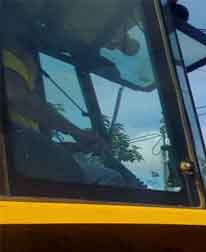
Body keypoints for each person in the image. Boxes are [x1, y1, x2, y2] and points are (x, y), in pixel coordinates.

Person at [2, 6, 126, 186]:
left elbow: (34, 147)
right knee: (110, 178)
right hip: (17, 167)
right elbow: (17, 96)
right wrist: (76, 131)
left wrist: (76, 147)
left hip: (23, 160)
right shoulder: (9, 57)